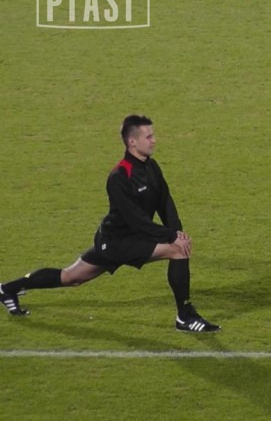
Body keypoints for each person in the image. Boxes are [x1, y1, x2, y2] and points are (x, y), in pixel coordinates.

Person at [0, 114, 220, 333]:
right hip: (116, 242)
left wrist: (177, 231)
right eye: (148, 137)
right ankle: (185, 317)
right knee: (177, 250)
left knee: (71, 277)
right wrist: (171, 238)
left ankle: (8, 289)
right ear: (132, 141)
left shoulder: (151, 167)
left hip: (130, 238)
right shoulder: (119, 176)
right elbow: (136, 220)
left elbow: (165, 202)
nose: (154, 140)